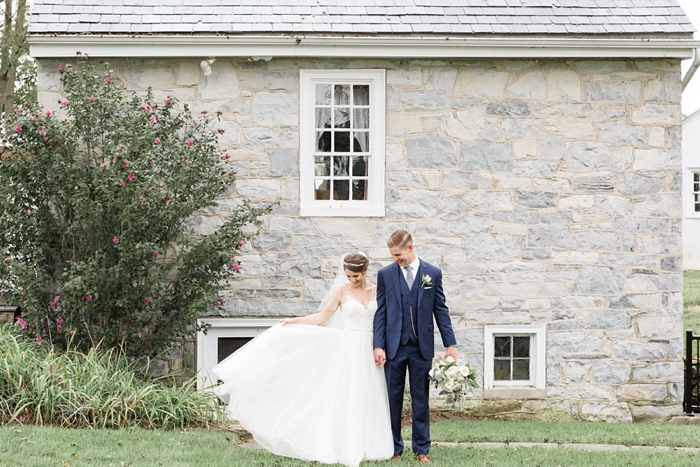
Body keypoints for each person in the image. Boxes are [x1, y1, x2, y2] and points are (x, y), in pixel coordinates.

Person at [212, 253, 393, 467]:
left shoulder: (377, 291)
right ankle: (346, 443)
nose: (352, 280)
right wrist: (294, 321)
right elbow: (321, 317)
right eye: (348, 275)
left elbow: (385, 320)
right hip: (349, 349)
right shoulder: (341, 291)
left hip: (371, 348)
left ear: (365, 272)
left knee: (369, 394)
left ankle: (372, 445)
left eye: (356, 276)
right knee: (349, 394)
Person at [373, 230, 458, 463]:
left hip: (422, 348)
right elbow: (381, 312)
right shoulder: (385, 275)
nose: (394, 259)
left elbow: (440, 310)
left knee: (421, 399)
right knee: (393, 399)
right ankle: (394, 448)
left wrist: (450, 343)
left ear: (410, 247)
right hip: (394, 347)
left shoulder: (432, 273)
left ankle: (421, 449)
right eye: (392, 255)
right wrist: (378, 345)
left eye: (398, 254)